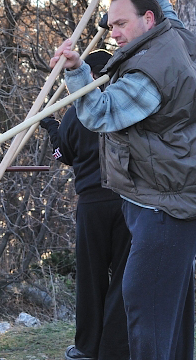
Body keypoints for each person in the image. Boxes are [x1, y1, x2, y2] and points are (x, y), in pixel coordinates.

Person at [49, 0, 196, 360]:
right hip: (166, 200)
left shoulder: (151, 72)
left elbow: (101, 114)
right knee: (167, 314)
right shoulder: (168, 35)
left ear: (147, 21)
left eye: (121, 24)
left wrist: (76, 70)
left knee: (144, 311)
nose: (113, 33)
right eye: (110, 25)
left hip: (165, 207)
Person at [40, 50, 131, 360]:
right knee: (122, 276)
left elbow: (62, 154)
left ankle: (88, 346)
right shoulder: (125, 105)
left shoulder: (76, 112)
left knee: (91, 277)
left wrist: (50, 127)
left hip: (93, 204)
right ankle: (116, 348)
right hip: (126, 202)